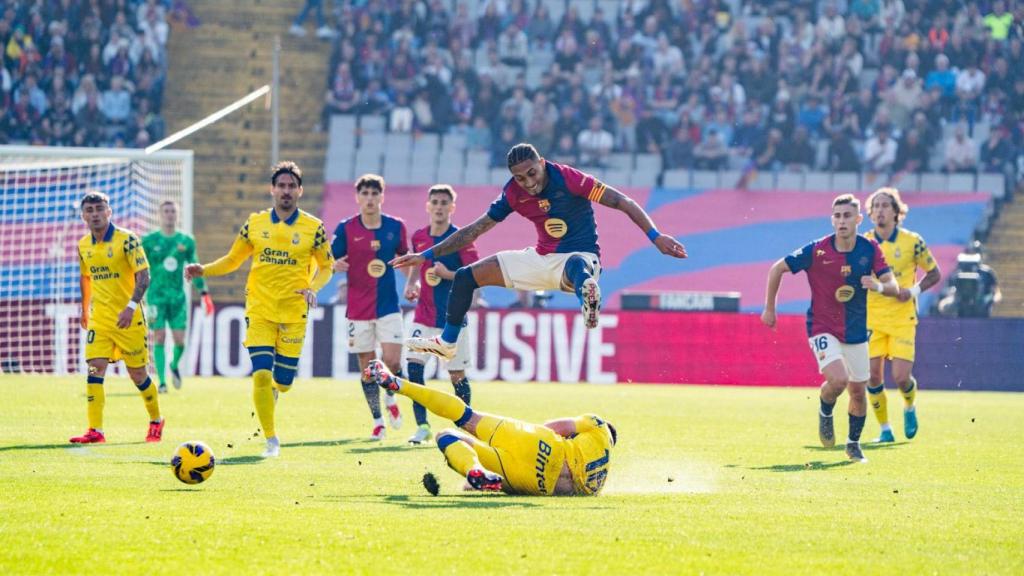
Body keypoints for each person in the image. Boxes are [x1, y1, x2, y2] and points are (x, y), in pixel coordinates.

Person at [392, 143, 687, 362]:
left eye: (532, 172)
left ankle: (587, 295)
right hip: (540, 259)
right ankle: (448, 341)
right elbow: (476, 229)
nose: (528, 182)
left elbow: (622, 201)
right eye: (520, 177)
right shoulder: (512, 192)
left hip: (581, 258)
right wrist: (427, 255)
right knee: (466, 277)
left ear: (542, 163)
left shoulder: (569, 178)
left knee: (576, 266)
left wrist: (655, 235)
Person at [184, 162, 333, 457]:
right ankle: (271, 439)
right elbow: (232, 259)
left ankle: (277, 392)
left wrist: (313, 287)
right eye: (281, 186)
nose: (286, 191)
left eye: (292, 186)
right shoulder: (255, 223)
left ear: (300, 191)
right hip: (260, 308)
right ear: (272, 189)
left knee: (284, 383)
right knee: (261, 375)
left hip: (293, 313)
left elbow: (327, 266)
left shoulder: (314, 228)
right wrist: (205, 270)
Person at [762, 194, 899, 463]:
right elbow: (777, 269)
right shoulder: (817, 250)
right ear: (832, 219)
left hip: (857, 331)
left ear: (859, 219)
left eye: (847, 216)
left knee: (859, 392)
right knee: (839, 380)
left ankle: (853, 444)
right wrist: (770, 308)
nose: (841, 221)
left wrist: (878, 286)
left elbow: (893, 286)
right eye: (837, 216)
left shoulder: (869, 249)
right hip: (822, 327)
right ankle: (826, 409)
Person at [364, 359, 616, 496]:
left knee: (465, 418)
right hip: (536, 484)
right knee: (448, 437)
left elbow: (558, 427)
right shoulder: (596, 486)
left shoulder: (599, 427)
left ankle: (398, 383)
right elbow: (563, 487)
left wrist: (518, 435)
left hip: (540, 444)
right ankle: (474, 471)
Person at [71, 191, 163, 444]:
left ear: (109, 212)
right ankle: (95, 430)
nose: (95, 214)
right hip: (100, 319)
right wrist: (84, 308)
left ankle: (156, 420)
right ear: (83, 216)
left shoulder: (128, 240)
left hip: (129, 318)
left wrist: (131, 306)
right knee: (94, 367)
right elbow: (86, 277)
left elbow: (144, 276)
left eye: (99, 209)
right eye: (89, 210)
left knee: (138, 375)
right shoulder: (83, 245)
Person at [331, 174, 412, 441]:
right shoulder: (346, 229)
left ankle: (390, 397)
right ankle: (378, 420)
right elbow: (328, 257)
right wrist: (332, 265)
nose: (369, 199)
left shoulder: (395, 226)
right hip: (358, 309)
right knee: (367, 367)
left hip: (388, 305)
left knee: (392, 361)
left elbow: (407, 257)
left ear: (381, 197)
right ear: (357, 198)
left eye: (374, 194)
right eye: (364, 194)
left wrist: (412, 281)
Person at [402, 185, 480, 444]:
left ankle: (464, 427)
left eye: (443, 202)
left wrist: (447, 274)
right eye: (434, 201)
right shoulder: (420, 237)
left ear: (451, 208)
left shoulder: (461, 238)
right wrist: (412, 283)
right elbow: (416, 265)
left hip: (452, 319)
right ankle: (422, 426)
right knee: (414, 368)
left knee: (456, 376)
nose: (438, 206)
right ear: (428, 206)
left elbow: (474, 275)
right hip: (423, 315)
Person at [864, 188, 942, 443]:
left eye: (885, 206)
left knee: (900, 377)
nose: (880, 210)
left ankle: (909, 407)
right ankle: (885, 429)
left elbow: (934, 273)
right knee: (873, 376)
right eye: (876, 206)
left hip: (902, 317)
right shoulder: (863, 242)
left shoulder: (912, 241)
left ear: (897, 212)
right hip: (872, 318)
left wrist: (913, 290)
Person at [142, 201, 215, 393]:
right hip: (154, 297)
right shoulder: (148, 241)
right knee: (158, 337)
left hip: (177, 298)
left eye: (172, 211)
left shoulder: (186, 240)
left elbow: (195, 266)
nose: (169, 214)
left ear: (177, 214)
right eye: (166, 211)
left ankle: (174, 365)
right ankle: (162, 382)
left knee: (180, 341)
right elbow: (139, 268)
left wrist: (204, 292)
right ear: (159, 214)